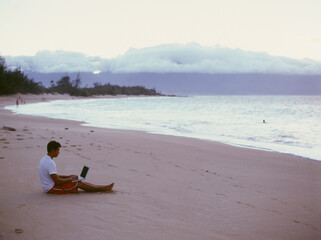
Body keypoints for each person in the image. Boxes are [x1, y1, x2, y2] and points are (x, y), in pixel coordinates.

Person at [39, 141, 114, 194]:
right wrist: (70, 179)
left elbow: (54, 176)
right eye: (58, 150)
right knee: (77, 183)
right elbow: (57, 181)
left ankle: (101, 187)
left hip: (49, 186)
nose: (59, 152)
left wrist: (69, 176)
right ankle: (103, 189)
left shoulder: (44, 159)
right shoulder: (50, 163)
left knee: (77, 180)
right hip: (52, 189)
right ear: (53, 150)